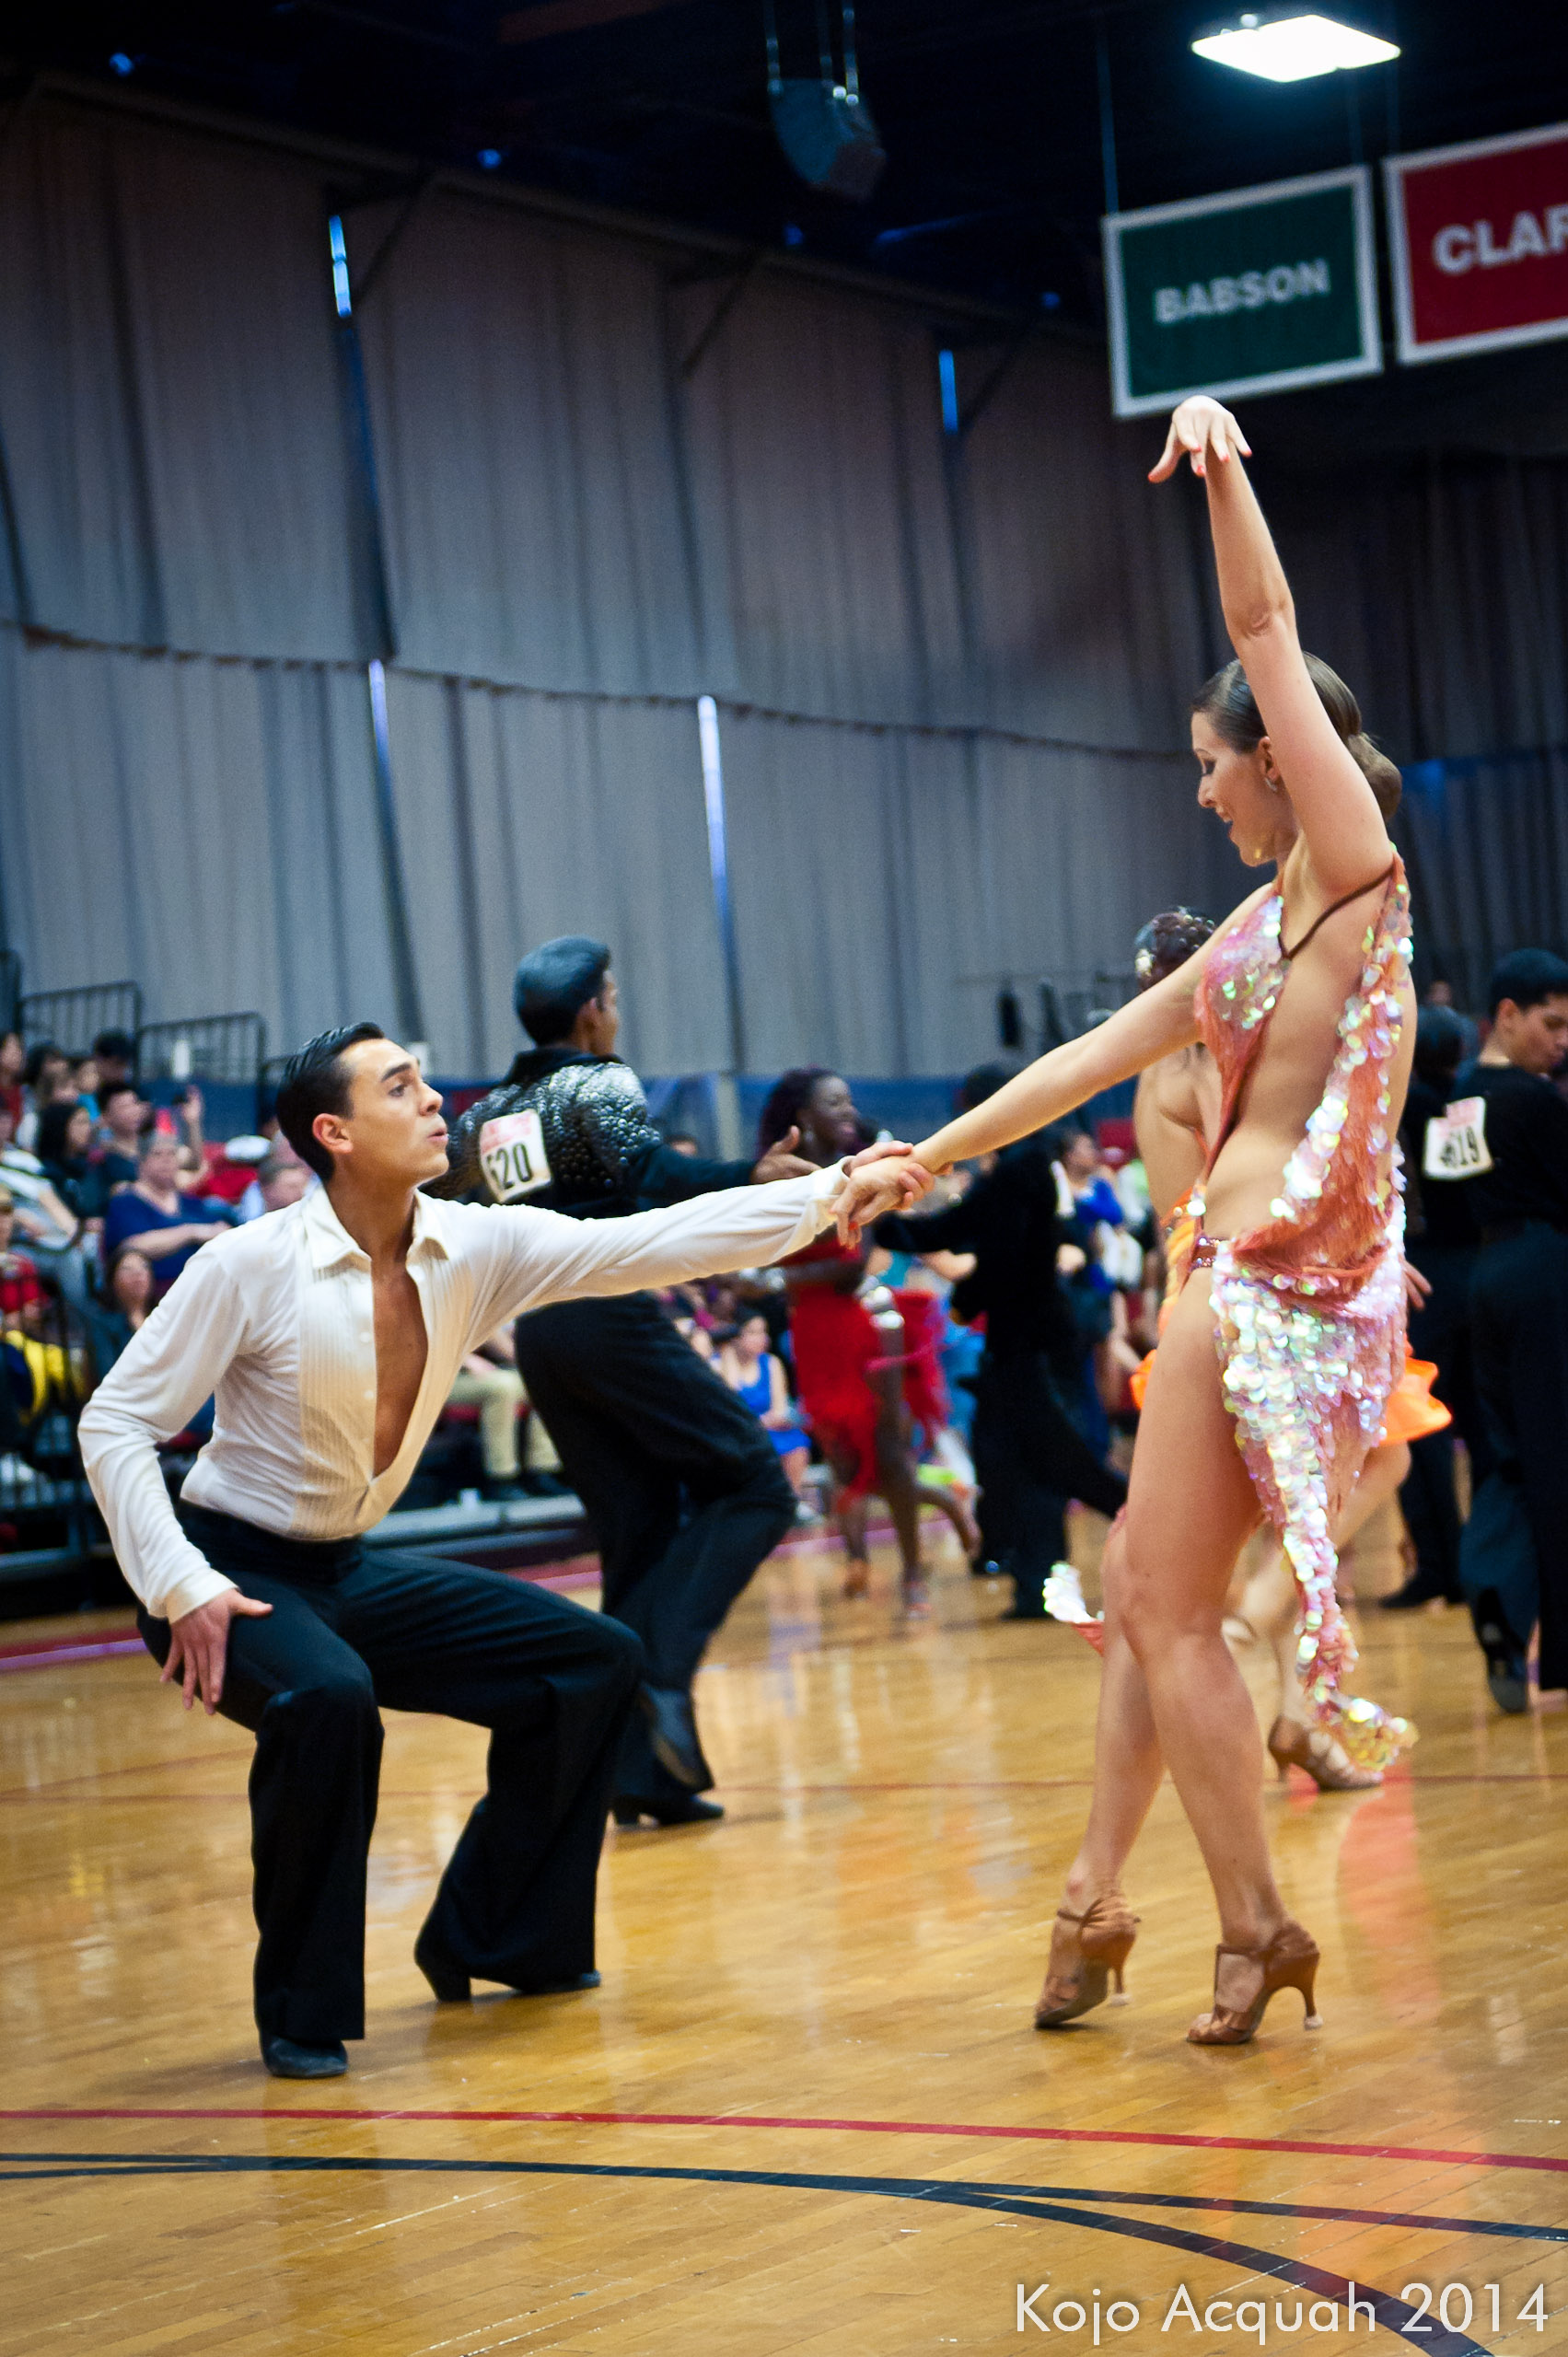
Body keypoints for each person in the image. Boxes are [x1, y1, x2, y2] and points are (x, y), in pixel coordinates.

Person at [837, 394, 1416, 2047]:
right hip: (1270, 1297)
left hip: (1254, 1294)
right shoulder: (1245, 936)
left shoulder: (1350, 870)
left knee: (1155, 1612)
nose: (1201, 790)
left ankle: (1247, 1924)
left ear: (1276, 754)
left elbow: (1262, 625)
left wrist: (1218, 466)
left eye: (1210, 762)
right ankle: (1123, 1907)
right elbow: (1083, 1061)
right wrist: (923, 1154)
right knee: (1142, 1607)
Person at [80, 1020, 893, 2081]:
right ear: (333, 1133)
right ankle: (302, 2010)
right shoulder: (248, 1262)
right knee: (328, 1699)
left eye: (424, 1082)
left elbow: (654, 1241)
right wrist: (181, 1584)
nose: (433, 1101)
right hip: (229, 1574)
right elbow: (115, 1422)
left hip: (345, 1565)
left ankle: (495, 1935)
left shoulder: (473, 1243)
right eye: (399, 1087)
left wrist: (835, 1191)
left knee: (593, 1661)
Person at [428, 939, 842, 1829]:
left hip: (541, 1337)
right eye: (612, 997)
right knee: (756, 1483)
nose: (615, 1012)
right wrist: (749, 1175)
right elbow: (649, 1176)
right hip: (608, 1315)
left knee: (639, 1532)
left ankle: (638, 1774)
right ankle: (658, 1674)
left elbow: (449, 1206)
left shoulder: (486, 1113)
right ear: (592, 1010)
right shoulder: (595, 1081)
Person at [874, 1065, 1128, 1620]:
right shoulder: (1021, 1164)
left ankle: (1150, 1533)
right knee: (1024, 1461)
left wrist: (880, 1222)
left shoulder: (1022, 1167)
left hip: (1035, 1342)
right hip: (1022, 1339)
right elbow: (973, 1236)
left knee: (1061, 1463)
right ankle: (1033, 1583)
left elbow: (974, 1243)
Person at [759, 1068, 979, 1612]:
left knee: (889, 1454)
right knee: (842, 1459)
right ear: (803, 1116)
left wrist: (776, 1281)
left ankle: (913, 1575)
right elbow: (758, 1258)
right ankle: (870, 1551)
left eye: (849, 1101)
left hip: (867, 1323)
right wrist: (769, 1278)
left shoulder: (862, 1169)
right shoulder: (773, 1178)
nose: (848, 1111)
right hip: (811, 1333)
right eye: (834, 1102)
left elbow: (850, 1265)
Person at [1457, 949, 1568, 1711]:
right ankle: (1559, 1659)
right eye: (1550, 1024)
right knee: (1556, 1459)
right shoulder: (1535, 1103)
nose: (1561, 1042)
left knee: (1503, 1458)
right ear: (1505, 1015)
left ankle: (1495, 1594)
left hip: (1482, 1277)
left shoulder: (1457, 1100)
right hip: (1542, 1273)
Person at [1382, 1004, 1485, 1611]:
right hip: (1476, 1268)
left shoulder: (1400, 1107)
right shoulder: (1471, 1102)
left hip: (1421, 1276)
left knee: (1419, 1430)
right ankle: (1480, 1565)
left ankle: (1438, 1566)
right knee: (1480, 1425)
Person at [100, 1130, 232, 1292]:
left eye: (172, 1154)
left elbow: (221, 1232)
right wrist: (190, 1232)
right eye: (157, 1154)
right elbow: (133, 1246)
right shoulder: (125, 1202)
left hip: (199, 1289)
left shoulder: (192, 1203)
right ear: (141, 1162)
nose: (166, 1160)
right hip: (149, 1294)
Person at [717, 1311, 810, 1498]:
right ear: (736, 1336)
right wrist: (729, 1357)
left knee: (796, 1442)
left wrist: (759, 1422)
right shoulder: (721, 1364)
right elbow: (730, 1409)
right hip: (738, 1432)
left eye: (763, 1332)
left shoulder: (771, 1363)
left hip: (766, 1428)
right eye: (753, 1332)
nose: (761, 1339)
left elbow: (779, 1410)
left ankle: (791, 1500)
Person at [36, 1099, 110, 1224]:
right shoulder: (47, 1172)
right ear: (61, 1126)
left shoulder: (95, 1167)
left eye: (88, 1122)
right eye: (81, 1123)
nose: (88, 1129)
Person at [17, 1042, 75, 1152]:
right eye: (64, 1087)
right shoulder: (31, 1122)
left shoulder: (76, 1122)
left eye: (74, 1087)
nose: (72, 1094)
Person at [98, 1082, 154, 1190]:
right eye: (124, 1107)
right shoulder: (105, 1159)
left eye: (135, 1103)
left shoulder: (155, 1145)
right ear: (106, 1117)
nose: (133, 1111)